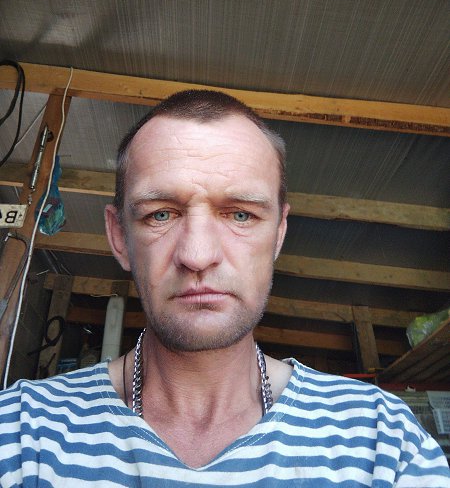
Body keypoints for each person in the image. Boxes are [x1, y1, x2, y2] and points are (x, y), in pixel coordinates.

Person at [1, 89, 449, 487]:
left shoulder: (381, 440)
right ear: (119, 236)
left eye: (240, 215)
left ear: (278, 234)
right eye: (161, 214)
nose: (197, 255)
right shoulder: (22, 433)